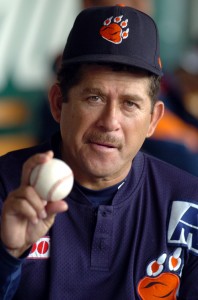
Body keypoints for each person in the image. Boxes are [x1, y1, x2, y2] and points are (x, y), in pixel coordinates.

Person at [0, 5, 198, 300]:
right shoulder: (6, 187)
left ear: (153, 120)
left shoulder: (189, 204)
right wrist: (8, 255)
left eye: (130, 104)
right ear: (58, 103)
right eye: (94, 97)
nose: (110, 122)